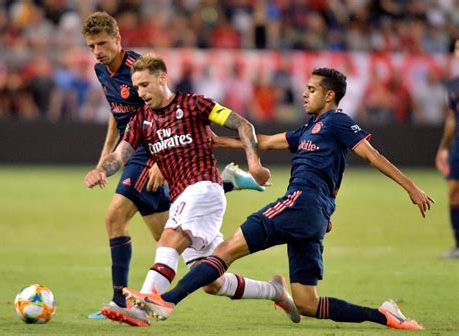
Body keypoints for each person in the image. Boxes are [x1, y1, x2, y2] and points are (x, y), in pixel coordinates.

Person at [128, 67, 434, 331]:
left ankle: (166, 300)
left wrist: (410, 187)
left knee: (226, 249)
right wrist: (218, 140)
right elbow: (265, 142)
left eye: (312, 89)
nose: (304, 94)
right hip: (313, 217)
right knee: (306, 303)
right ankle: (384, 316)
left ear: (329, 96)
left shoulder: (338, 122)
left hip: (301, 202)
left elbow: (372, 155)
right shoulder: (308, 129)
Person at [84, 53, 299, 327]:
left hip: (203, 188)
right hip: (181, 198)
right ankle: (275, 290)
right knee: (211, 280)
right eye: (137, 87)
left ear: (162, 79)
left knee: (168, 239)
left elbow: (243, 125)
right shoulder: (141, 121)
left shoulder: (195, 104)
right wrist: (103, 169)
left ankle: (142, 305)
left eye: (145, 85)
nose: (140, 92)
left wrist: (254, 163)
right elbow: (121, 154)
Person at [436, 38, 459, 258]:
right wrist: (443, 148)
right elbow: (452, 120)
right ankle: (458, 245)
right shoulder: (453, 85)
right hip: (458, 146)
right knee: (453, 192)